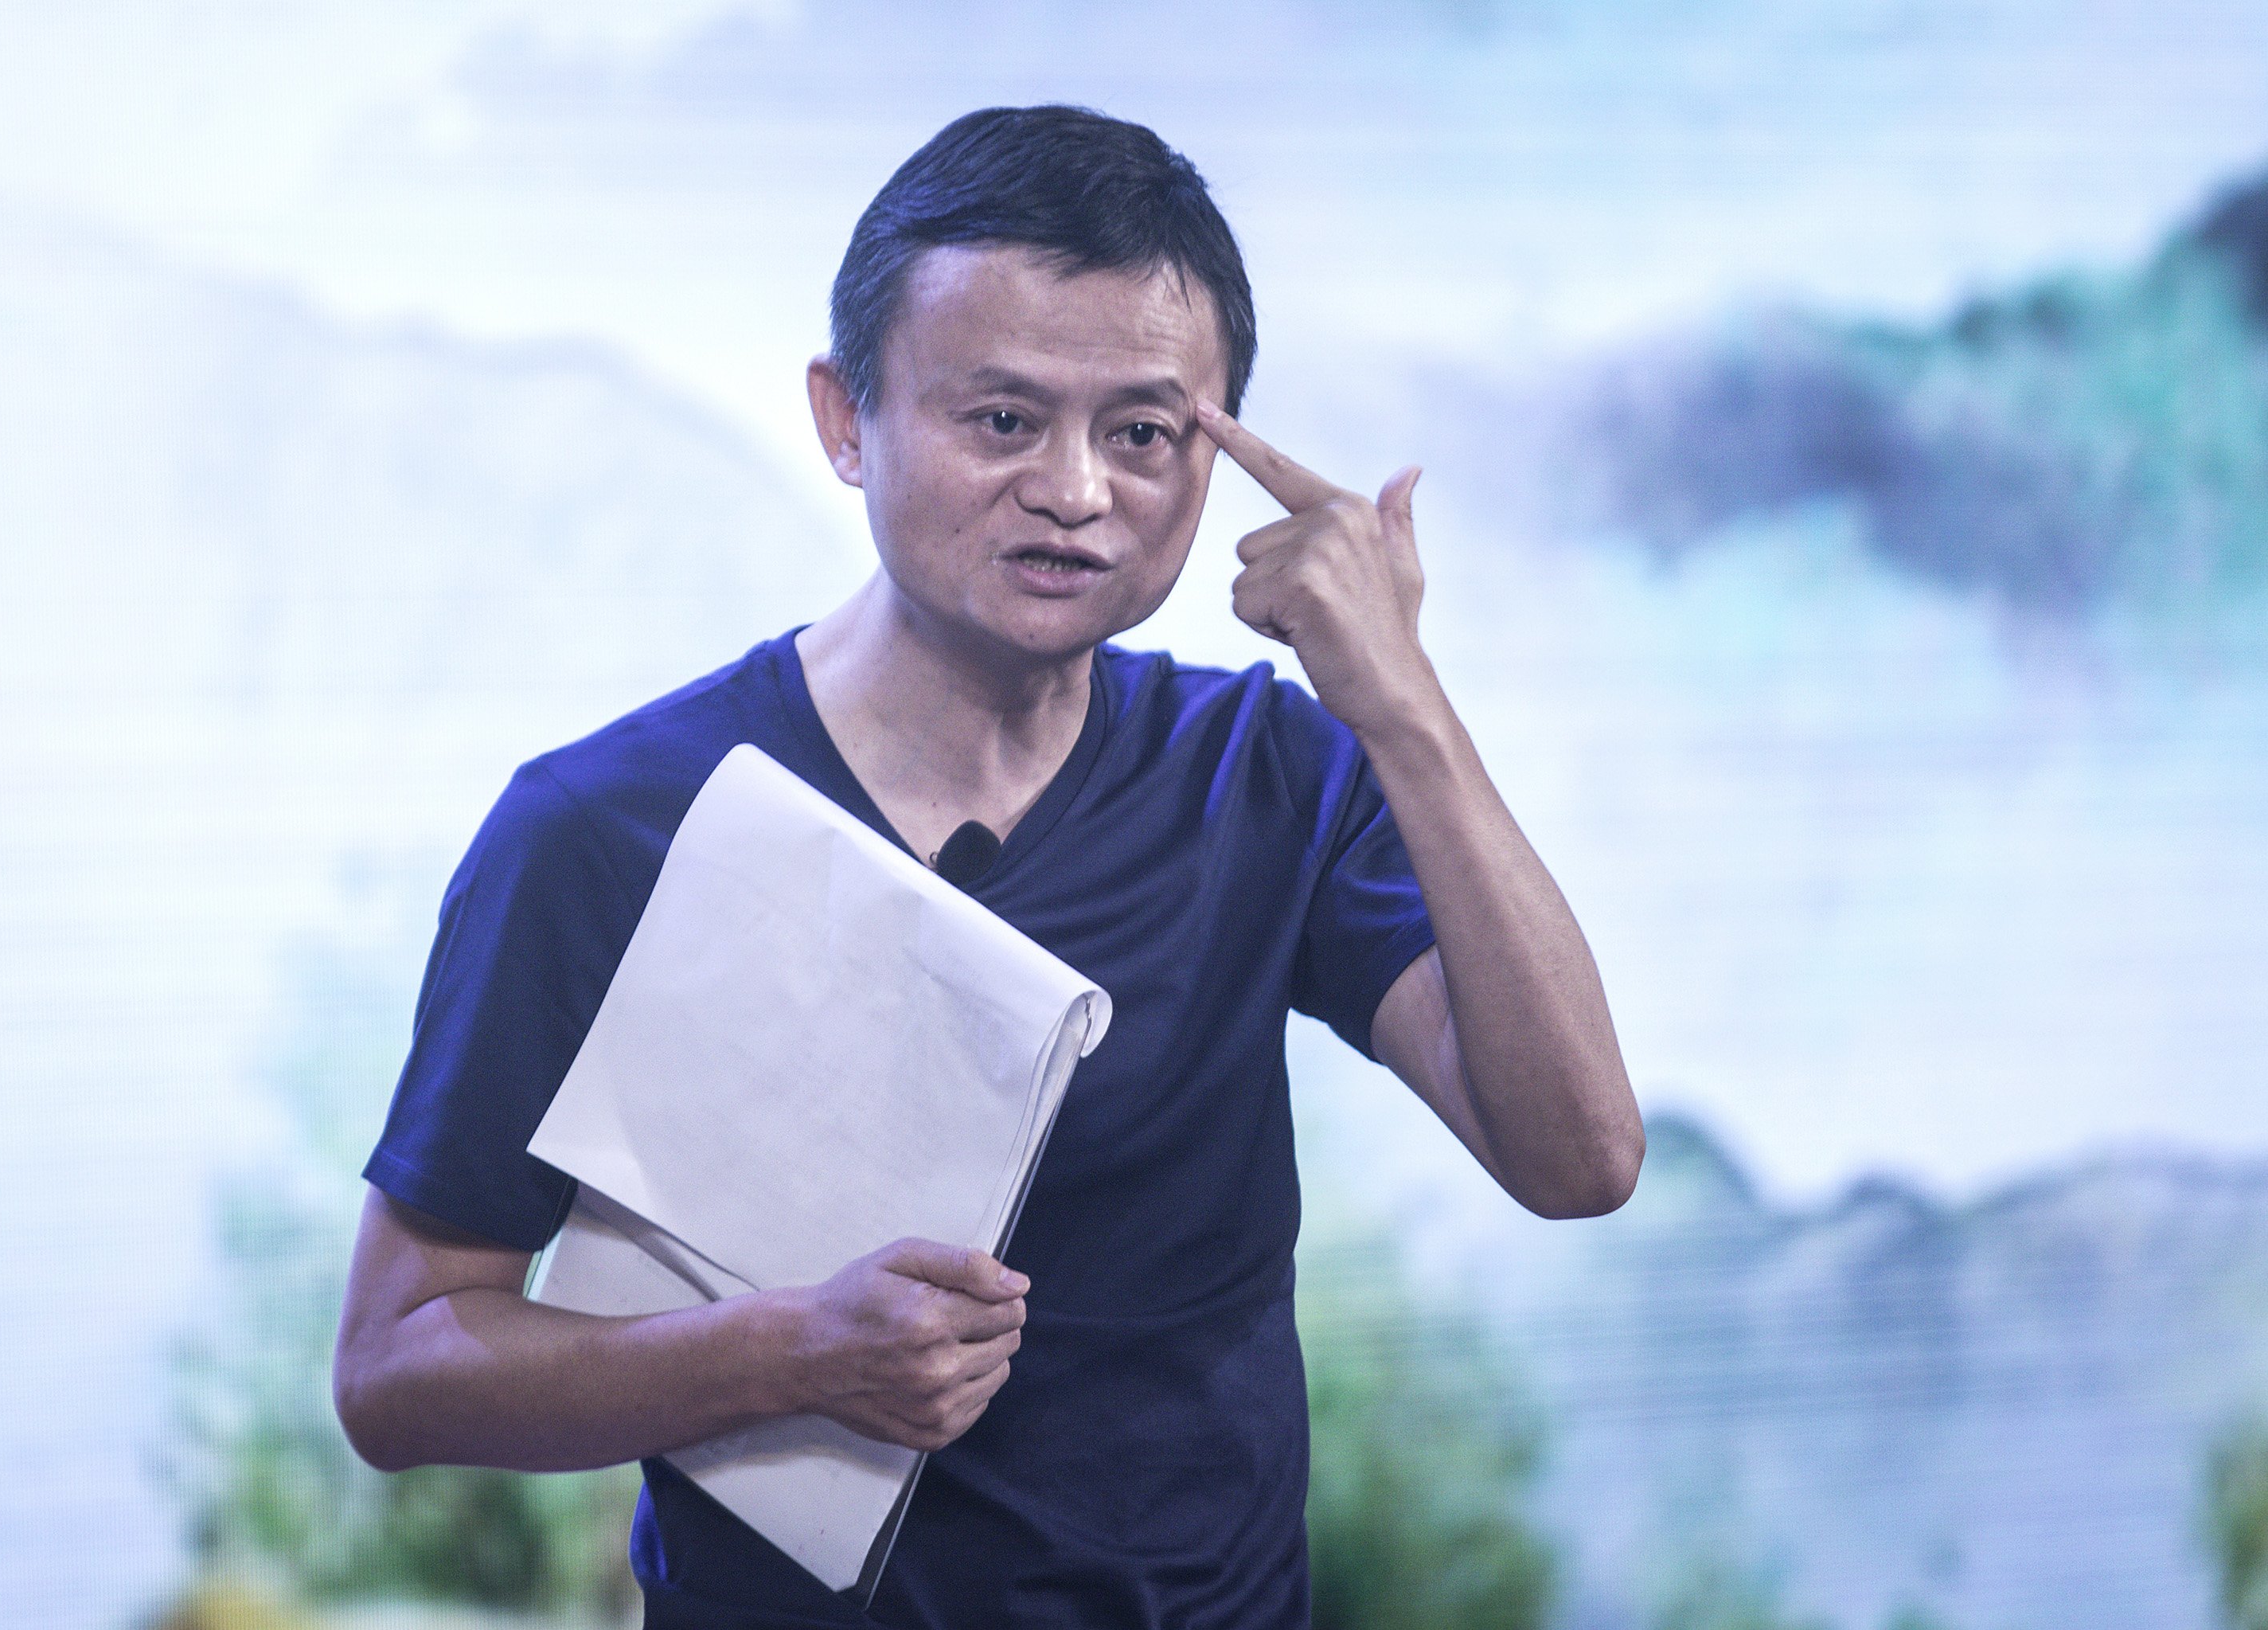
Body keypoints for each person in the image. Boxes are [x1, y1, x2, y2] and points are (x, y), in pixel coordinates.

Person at [333, 104, 1642, 1628]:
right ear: (846, 418)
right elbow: (399, 1365)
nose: (1077, 491)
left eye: (1143, 434)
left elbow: (1580, 1159)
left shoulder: (1270, 771)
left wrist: (1402, 705)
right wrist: (788, 1355)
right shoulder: (610, 823)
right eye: (1002, 420)